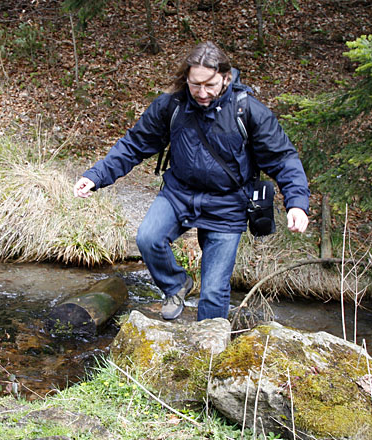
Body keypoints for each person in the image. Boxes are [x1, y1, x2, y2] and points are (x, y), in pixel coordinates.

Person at [73, 41, 310, 321]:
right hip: (179, 194)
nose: (201, 93)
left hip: (228, 204)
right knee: (148, 238)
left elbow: (283, 158)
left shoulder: (248, 111)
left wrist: (297, 203)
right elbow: (134, 145)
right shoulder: (172, 106)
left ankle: (207, 352)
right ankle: (176, 285)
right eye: (195, 84)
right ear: (186, 78)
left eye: (209, 85)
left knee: (213, 291)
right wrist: (94, 176)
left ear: (226, 77)